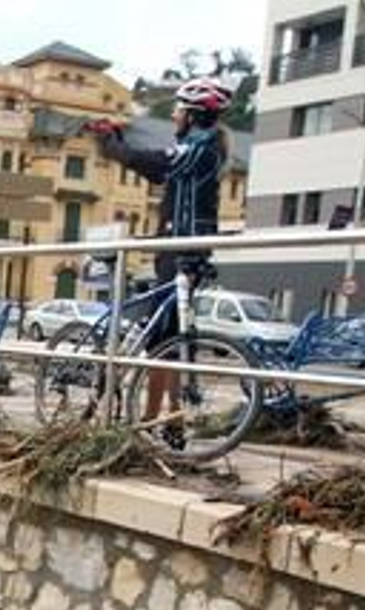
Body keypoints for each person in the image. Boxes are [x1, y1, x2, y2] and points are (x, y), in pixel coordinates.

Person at [91, 76, 234, 439]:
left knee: (165, 342)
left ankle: (156, 420)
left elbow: (152, 163)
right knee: (169, 338)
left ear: (193, 114)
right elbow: (155, 159)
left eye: (178, 110)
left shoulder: (199, 149)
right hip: (180, 247)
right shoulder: (202, 146)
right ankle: (166, 418)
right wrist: (120, 140)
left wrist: (110, 143)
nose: (173, 116)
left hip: (180, 249)